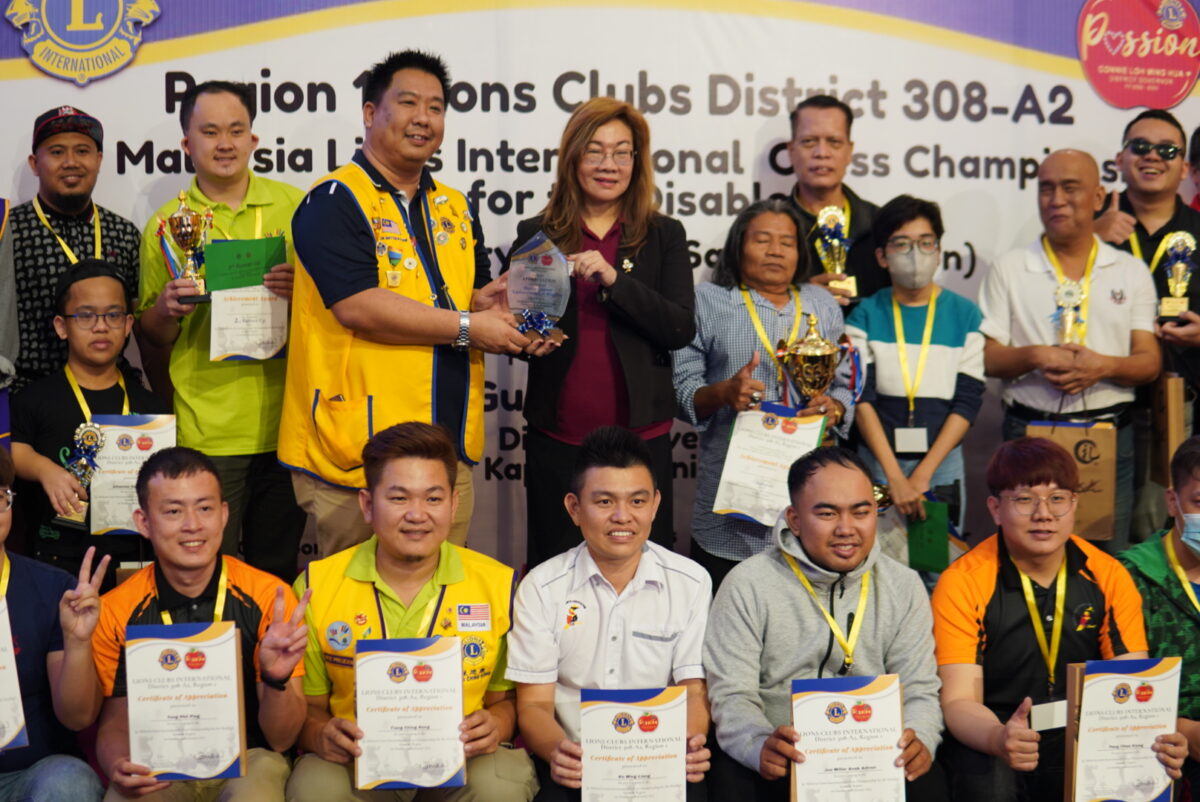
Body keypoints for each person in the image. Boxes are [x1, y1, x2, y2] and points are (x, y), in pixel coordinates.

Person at [279, 50, 527, 557]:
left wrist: (488, 303)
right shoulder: (334, 200)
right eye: (409, 103)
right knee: (357, 597)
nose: (423, 118)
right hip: (359, 454)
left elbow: (461, 298)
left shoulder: (455, 205)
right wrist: (469, 325)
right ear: (371, 113)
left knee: (442, 594)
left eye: (435, 107)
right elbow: (358, 305)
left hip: (444, 452)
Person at [286, 421, 537, 802]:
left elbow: (508, 702)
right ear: (368, 504)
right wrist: (320, 732)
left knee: (500, 782)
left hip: (461, 761)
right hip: (358, 761)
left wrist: (498, 724)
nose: (417, 515)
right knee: (315, 785)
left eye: (433, 499)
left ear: (453, 505)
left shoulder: (497, 585)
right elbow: (309, 709)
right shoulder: (317, 587)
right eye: (399, 498)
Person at [933, 437, 1186, 801]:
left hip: (1085, 723)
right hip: (994, 725)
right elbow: (959, 700)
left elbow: (1130, 682)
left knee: (1145, 769)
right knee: (987, 785)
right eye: (1024, 499)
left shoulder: (1108, 575)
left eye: (1057, 498)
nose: (1044, 513)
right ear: (995, 508)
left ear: (1074, 503)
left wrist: (1155, 735)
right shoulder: (963, 581)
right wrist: (999, 738)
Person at [504, 97, 693, 569]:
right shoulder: (537, 232)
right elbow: (523, 328)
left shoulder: (664, 234)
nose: (609, 165)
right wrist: (528, 339)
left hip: (642, 438)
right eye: (595, 151)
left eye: (621, 152)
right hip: (558, 437)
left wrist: (614, 280)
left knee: (645, 571)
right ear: (573, 158)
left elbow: (678, 327)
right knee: (553, 569)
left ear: (636, 161)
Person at [703, 446, 945, 800]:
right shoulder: (748, 583)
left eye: (861, 512)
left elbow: (919, 688)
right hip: (783, 750)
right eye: (827, 513)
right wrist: (758, 744)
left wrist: (918, 737)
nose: (846, 529)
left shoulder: (904, 585)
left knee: (930, 781)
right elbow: (732, 694)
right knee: (732, 777)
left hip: (876, 755)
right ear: (795, 519)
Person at [137, 80, 306, 580]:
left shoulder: (297, 207)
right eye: (210, 132)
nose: (225, 143)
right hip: (208, 427)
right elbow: (150, 335)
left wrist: (303, 291)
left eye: (236, 130)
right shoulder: (167, 224)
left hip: (288, 423)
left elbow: (338, 307)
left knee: (276, 569)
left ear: (253, 139)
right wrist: (166, 309)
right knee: (207, 569)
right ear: (187, 143)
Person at [506, 426, 712, 800]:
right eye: (604, 502)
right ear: (574, 508)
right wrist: (559, 752)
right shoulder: (541, 587)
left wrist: (690, 742)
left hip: (659, 761)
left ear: (655, 505)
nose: (622, 516)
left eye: (637, 501)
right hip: (577, 763)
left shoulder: (692, 581)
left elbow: (693, 690)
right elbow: (534, 704)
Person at [94, 447, 308, 800]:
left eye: (205, 508)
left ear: (224, 514)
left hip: (250, 759)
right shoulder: (115, 608)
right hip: (160, 764)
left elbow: (282, 739)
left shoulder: (270, 597)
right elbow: (115, 720)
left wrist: (275, 678)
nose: (192, 524)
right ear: (144, 522)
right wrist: (118, 762)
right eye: (173, 511)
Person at [979, 149, 1160, 552]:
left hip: (1107, 438)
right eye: (1046, 188)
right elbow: (987, 358)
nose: (1056, 199)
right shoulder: (1010, 268)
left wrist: (1103, 366)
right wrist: (1037, 356)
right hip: (1028, 435)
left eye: (1070, 187)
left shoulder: (1129, 271)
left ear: (1098, 197)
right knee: (1027, 555)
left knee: (1104, 559)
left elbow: (1149, 362)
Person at [672, 198, 853, 590]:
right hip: (731, 507)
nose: (775, 250)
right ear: (739, 246)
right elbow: (682, 389)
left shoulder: (821, 304)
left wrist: (835, 408)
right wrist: (724, 392)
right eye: (762, 240)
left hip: (811, 500)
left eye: (787, 242)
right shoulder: (707, 301)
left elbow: (845, 381)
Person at [11, 261, 167, 584]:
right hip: (57, 556)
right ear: (61, 326)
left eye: (113, 315)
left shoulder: (149, 405)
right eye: (85, 316)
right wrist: (45, 469)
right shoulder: (34, 398)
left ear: (128, 324)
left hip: (135, 555)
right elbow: (12, 448)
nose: (100, 327)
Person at [1094, 109, 1200, 543]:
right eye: (1140, 147)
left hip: (1182, 403)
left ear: (1185, 168)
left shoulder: (1197, 229)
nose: (1152, 156)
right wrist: (1092, 235)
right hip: (1105, 403)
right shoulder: (1089, 224)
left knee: (1165, 530)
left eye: (1167, 150)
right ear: (1120, 159)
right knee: (1103, 531)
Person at [846, 195, 984, 527]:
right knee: (873, 555)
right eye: (902, 244)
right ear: (882, 256)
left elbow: (967, 401)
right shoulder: (864, 315)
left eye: (925, 243)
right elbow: (861, 399)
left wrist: (923, 475)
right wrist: (895, 476)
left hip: (941, 465)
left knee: (936, 557)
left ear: (939, 252)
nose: (915, 254)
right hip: (879, 464)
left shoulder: (965, 314)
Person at [0, 446, 106, 801]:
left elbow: (78, 718)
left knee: (69, 782)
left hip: (32, 774)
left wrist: (77, 643)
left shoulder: (54, 589)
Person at [11, 106, 141, 392]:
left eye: (82, 151)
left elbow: (142, 328)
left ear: (98, 159)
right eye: (57, 152)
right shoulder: (8, 232)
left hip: (112, 396)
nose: (71, 162)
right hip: (29, 394)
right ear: (35, 163)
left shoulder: (124, 233)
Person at [1118, 435, 1200, 797]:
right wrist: (1184, 729)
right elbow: (1118, 692)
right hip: (1156, 746)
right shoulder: (1131, 577)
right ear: (1172, 501)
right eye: (1199, 502)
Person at [782, 95, 884, 305]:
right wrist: (795, 299)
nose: (822, 153)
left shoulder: (881, 224)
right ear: (791, 151)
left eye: (834, 142)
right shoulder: (766, 227)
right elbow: (738, 303)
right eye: (809, 142)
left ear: (849, 151)